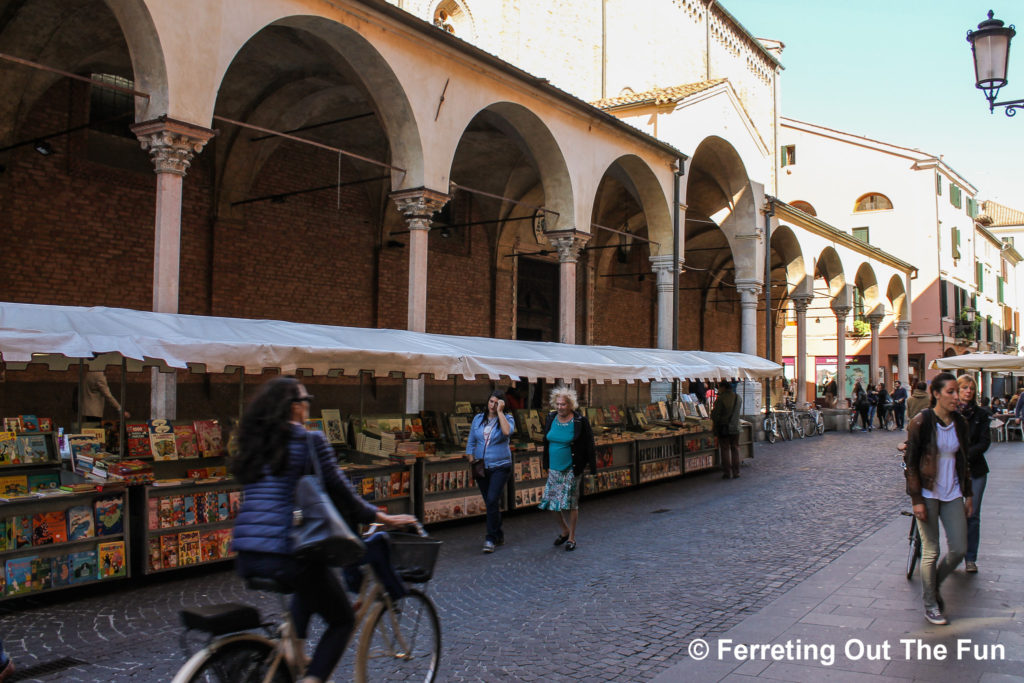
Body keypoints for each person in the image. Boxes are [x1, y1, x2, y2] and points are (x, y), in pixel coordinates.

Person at [230, 377, 415, 683]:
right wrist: (385, 518)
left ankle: (296, 650)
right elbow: (341, 491)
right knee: (342, 619)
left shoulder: (256, 442)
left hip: (248, 553)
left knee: (311, 581)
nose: (308, 407)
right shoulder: (309, 441)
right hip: (286, 551)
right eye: (305, 401)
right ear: (295, 407)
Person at [904, 372, 973, 626]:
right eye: (951, 392)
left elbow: (963, 462)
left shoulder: (960, 424)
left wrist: (968, 494)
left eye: (958, 391)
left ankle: (933, 587)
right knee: (931, 551)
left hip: (953, 492)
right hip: (928, 492)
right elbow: (911, 464)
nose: (957, 397)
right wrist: (916, 500)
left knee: (958, 549)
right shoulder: (921, 422)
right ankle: (930, 604)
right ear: (936, 394)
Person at [538, 385, 596, 551]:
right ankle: (564, 529)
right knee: (551, 503)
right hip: (554, 469)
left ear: (570, 405)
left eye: (563, 404)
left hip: (571, 468)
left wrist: (590, 467)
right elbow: (546, 441)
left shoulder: (579, 421)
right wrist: (546, 464)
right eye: (557, 404)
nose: (560, 407)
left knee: (571, 503)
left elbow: (589, 444)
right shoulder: (551, 418)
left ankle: (572, 537)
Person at [466, 390, 515, 553]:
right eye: (491, 401)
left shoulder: (507, 418)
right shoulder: (478, 419)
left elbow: (507, 432)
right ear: (487, 402)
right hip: (481, 466)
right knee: (490, 502)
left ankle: (490, 538)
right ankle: (498, 534)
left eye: (497, 402)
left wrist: (501, 412)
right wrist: (471, 459)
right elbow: (471, 441)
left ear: (502, 404)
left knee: (493, 499)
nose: (493, 405)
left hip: (501, 466)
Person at [956, 375, 990, 574]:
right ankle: (956, 552)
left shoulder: (981, 414)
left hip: (976, 470)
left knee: (973, 513)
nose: (968, 391)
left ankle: (970, 558)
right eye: (964, 387)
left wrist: (965, 456)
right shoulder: (949, 413)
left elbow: (985, 442)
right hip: (952, 471)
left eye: (971, 388)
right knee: (952, 513)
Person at [710, 380, 741, 479]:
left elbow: (715, 415)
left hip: (724, 427)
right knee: (735, 449)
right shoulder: (738, 397)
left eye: (719, 387)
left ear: (723, 387)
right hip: (736, 427)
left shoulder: (721, 399)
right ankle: (736, 472)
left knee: (725, 449)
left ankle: (727, 472)